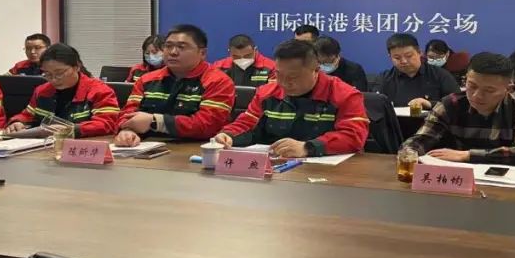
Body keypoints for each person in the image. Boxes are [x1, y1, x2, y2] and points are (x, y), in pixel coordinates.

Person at [213, 39, 369, 157]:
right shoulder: (267, 93)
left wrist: (308, 147)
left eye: (293, 77)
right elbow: (247, 123)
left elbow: (353, 136)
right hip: (275, 168)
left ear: (316, 70)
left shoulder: (345, 95)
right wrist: (228, 135)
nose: (284, 83)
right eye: (279, 75)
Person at [400, 52, 515, 165]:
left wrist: (467, 155)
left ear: (508, 88)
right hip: (458, 177)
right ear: (466, 79)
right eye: (472, 86)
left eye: (489, 90)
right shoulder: (450, 103)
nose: (477, 95)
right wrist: (409, 154)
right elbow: (421, 139)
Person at [113, 24, 235, 146]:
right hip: (145, 147)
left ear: (202, 53)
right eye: (168, 46)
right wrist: (127, 130)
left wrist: (156, 121)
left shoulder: (218, 81)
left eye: (181, 47)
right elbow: (127, 112)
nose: (173, 52)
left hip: (197, 149)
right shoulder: (146, 80)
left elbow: (208, 125)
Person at [4, 44, 119, 138]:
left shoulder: (99, 91)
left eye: (59, 73)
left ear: (76, 67)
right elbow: (27, 115)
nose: (53, 79)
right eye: (47, 74)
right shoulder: (42, 91)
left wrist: (72, 129)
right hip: (44, 147)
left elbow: (107, 123)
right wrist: (18, 122)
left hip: (82, 147)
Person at [377, 33, 459, 110]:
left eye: (409, 56)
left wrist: (430, 104)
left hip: (431, 120)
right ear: (390, 57)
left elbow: (457, 103)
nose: (404, 61)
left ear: (419, 52)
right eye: (397, 58)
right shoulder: (384, 79)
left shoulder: (441, 75)